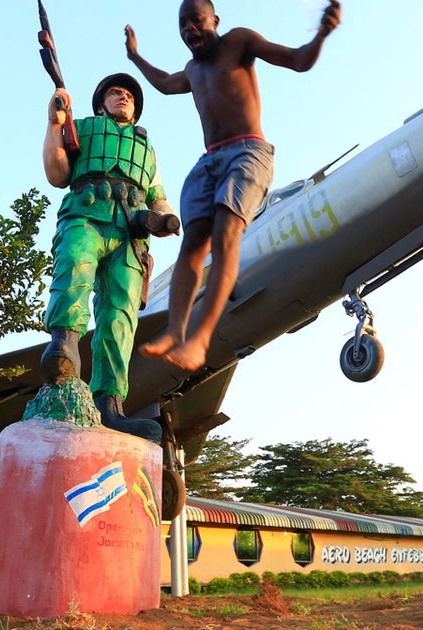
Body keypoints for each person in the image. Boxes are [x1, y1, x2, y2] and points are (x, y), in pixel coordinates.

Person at [124, 0, 343, 371]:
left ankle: (200, 338)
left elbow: (298, 60)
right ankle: (175, 332)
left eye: (196, 20)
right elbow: (163, 84)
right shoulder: (192, 70)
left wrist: (320, 34)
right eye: (183, 25)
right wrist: (134, 56)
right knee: (192, 244)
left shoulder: (238, 41)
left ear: (215, 20)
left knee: (226, 234)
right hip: (210, 159)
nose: (189, 29)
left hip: (248, 151)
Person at [40, 73, 180, 442]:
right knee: (74, 268)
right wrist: (55, 125)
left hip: (131, 230)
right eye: (116, 93)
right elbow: (58, 173)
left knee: (120, 315)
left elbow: (156, 192)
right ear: (101, 103)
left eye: (129, 95)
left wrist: (164, 217)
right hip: (86, 213)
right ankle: (63, 348)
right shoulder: (82, 128)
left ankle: (110, 405)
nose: (124, 97)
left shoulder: (145, 147)